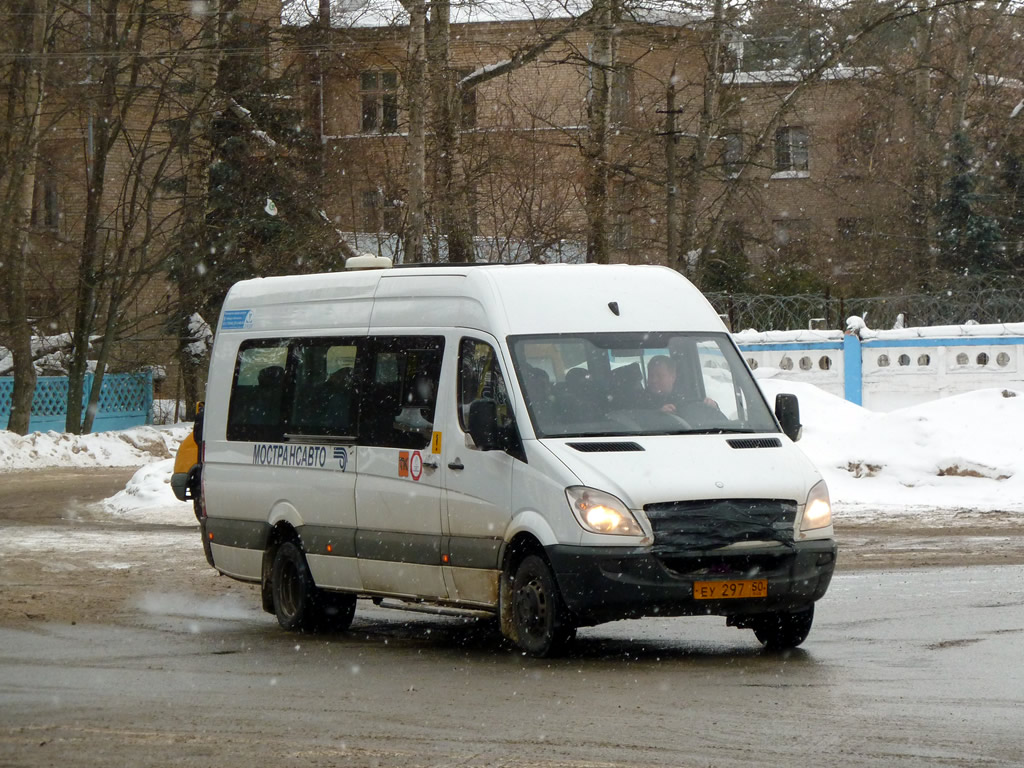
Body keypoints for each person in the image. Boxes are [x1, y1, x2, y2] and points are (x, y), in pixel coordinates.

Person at [645, 355, 718, 415]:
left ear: (673, 377)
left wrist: (713, 406)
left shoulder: (688, 397)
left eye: (659, 376)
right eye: (651, 375)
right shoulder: (639, 400)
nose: (654, 380)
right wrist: (657, 414)